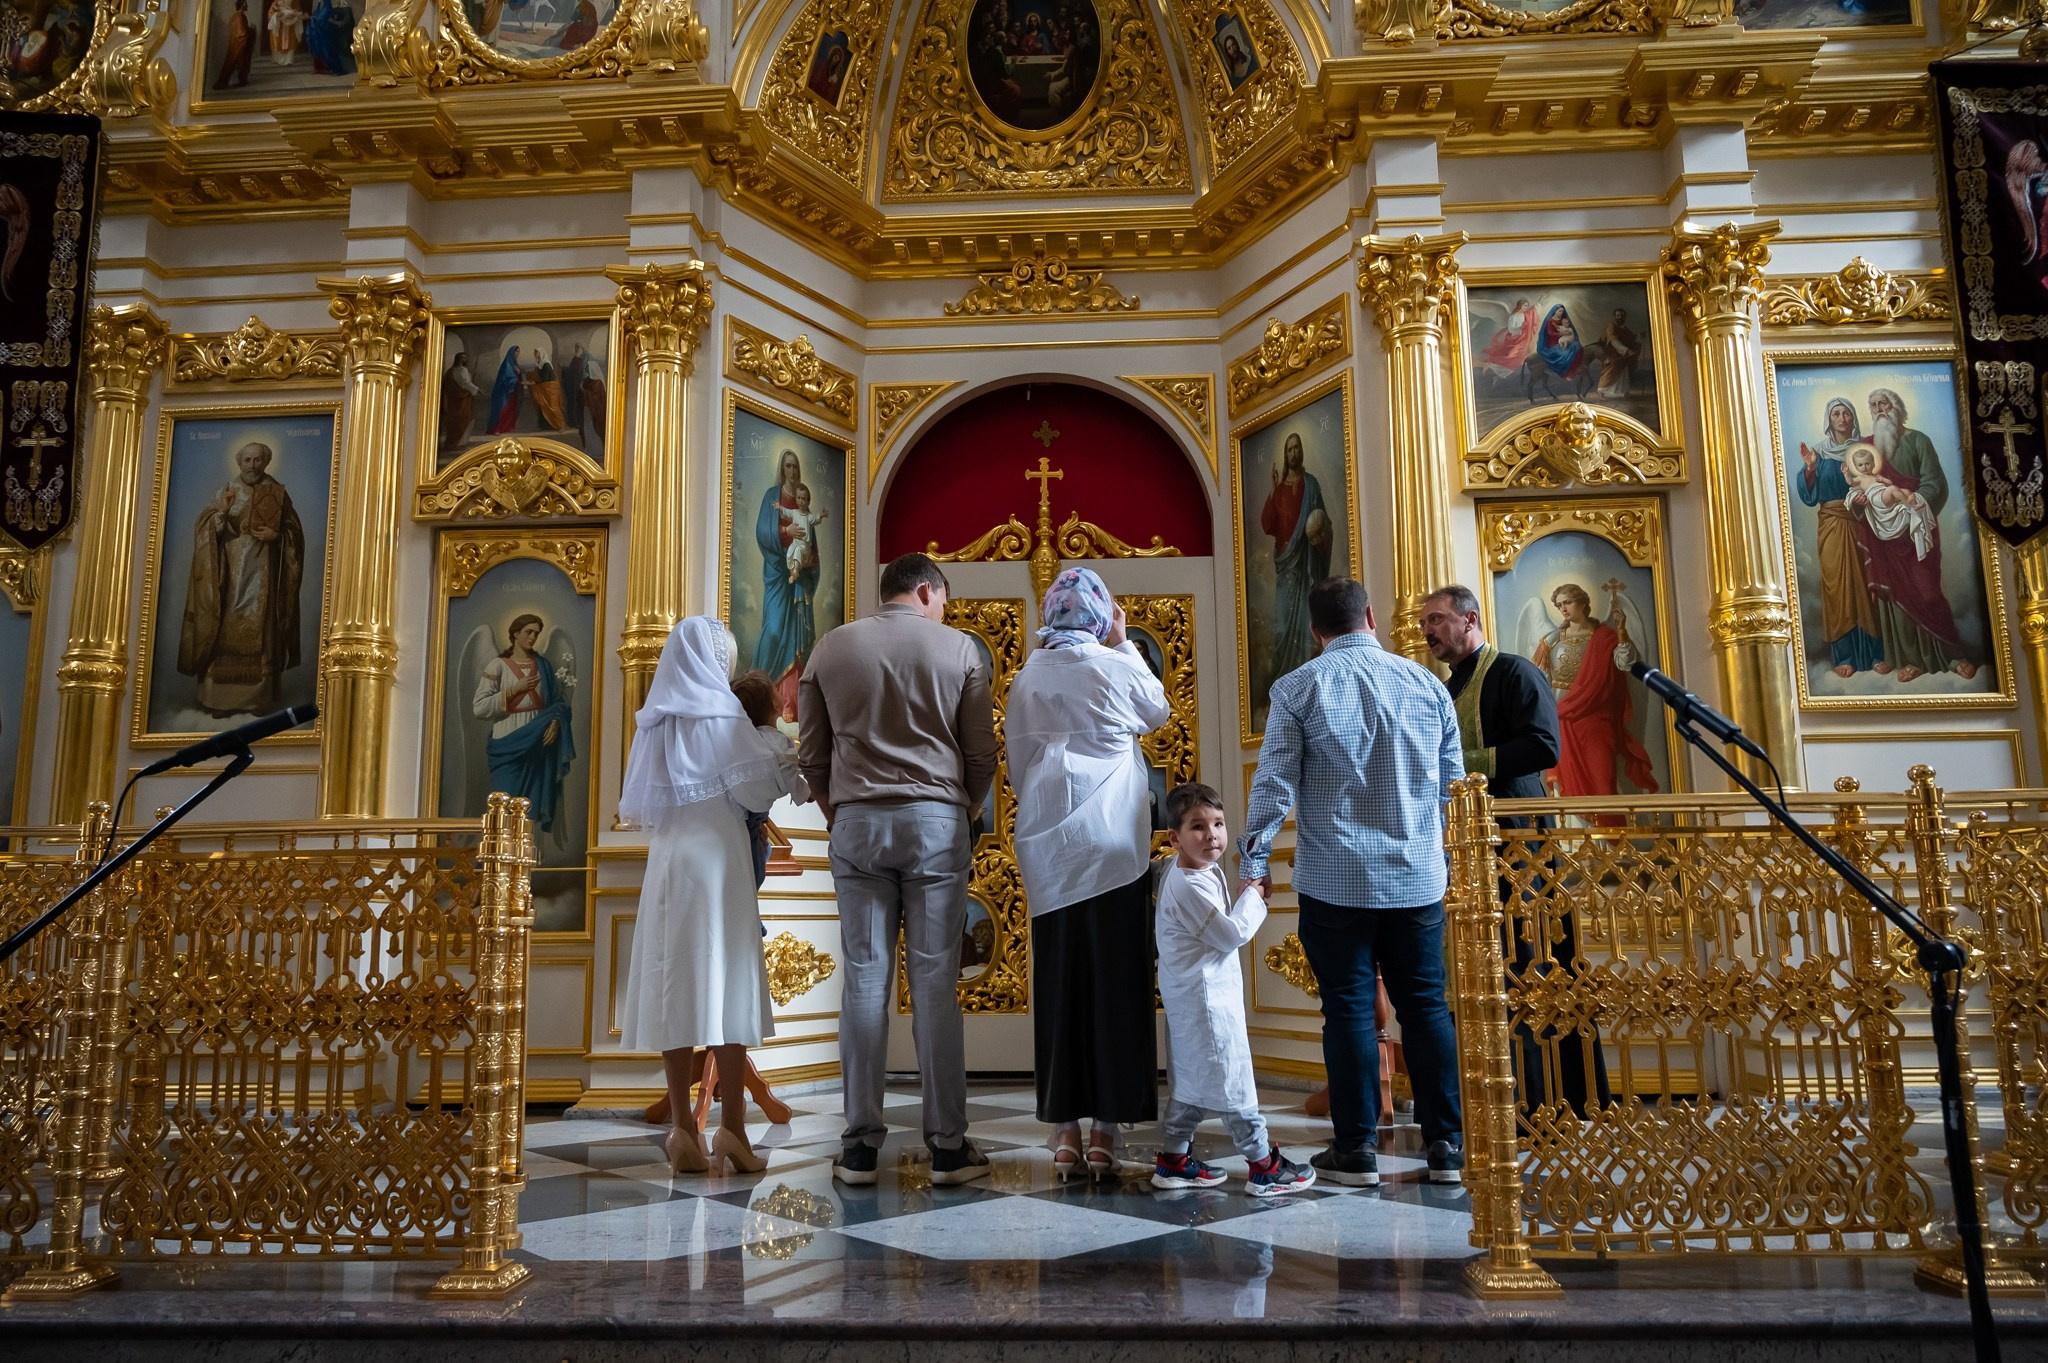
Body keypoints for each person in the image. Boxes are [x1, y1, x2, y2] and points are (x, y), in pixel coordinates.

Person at [1239, 577, 1465, 1188]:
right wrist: (1447, 858)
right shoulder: (1427, 684)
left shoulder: (1297, 688)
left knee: (1347, 1011)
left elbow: (1273, 784)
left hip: (1336, 880)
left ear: (1315, 630)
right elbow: (1454, 787)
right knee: (1426, 1006)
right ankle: (1447, 1146)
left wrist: (1254, 865)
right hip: (1417, 878)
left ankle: (1357, 1149)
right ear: (1370, 617)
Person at [799, 553, 998, 1187]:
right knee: (936, 982)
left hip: (858, 821)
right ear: (927, 591)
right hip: (936, 821)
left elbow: (812, 755)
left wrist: (839, 811)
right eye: (944, 602)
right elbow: (981, 753)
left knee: (864, 979)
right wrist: (964, 808)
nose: (943, 612)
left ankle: (859, 1147)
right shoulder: (959, 649)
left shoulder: (831, 648)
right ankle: (947, 1148)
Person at [620, 618, 804, 1177]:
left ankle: (682, 1128)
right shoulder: (724, 715)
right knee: (730, 983)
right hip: (718, 859)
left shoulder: (658, 719)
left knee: (674, 983)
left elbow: (645, 799)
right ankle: (734, 1130)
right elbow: (757, 789)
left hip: (669, 860)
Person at [1005, 567, 1171, 1178]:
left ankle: (1065, 1129)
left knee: (1061, 979)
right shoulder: (1114, 665)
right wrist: (1123, 644)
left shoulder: (1029, 675)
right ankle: (1106, 1127)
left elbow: (1018, 762)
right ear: (1101, 617)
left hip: (1051, 842)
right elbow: (1157, 711)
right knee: (1117, 979)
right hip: (1113, 841)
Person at [1421, 585, 1611, 1120]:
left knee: (1528, 963)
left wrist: (1457, 763)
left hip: (1520, 843)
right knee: (1483, 969)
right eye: (1424, 624)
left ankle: (1546, 1099)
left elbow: (1544, 745)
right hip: (1468, 847)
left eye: (1437, 619)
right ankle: (1494, 1097)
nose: (1429, 631)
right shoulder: (1446, 687)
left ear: (1470, 619)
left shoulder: (1513, 672)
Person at [1153, 782, 1316, 1197]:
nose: (1212, 835)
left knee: (1192, 1082)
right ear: (1175, 838)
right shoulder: (1187, 885)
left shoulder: (1189, 870)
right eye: (1198, 826)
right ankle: (1263, 1165)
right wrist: (1254, 897)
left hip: (1194, 997)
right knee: (1234, 1082)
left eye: (1219, 824)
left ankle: (1174, 1160)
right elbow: (1229, 934)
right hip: (1205, 1001)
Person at [1858, 388, 1979, 683]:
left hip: (1917, 527)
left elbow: (1935, 482)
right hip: (1883, 533)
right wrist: (1861, 501)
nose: (1879, 409)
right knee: (1894, 594)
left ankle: (1952, 655)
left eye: (1884, 403)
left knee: (1928, 592)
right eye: (1873, 405)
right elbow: (1859, 485)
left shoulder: (1918, 440)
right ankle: (1911, 659)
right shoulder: (1867, 446)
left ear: (1897, 407)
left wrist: (1914, 501)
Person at [177, 441, 305, 717]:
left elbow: (293, 530)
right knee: (222, 628)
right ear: (239, 462)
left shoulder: (277, 492)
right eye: (247, 460)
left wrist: (277, 536)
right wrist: (222, 512)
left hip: (263, 576)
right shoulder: (227, 491)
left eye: (258, 460)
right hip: (229, 576)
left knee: (262, 633)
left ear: (266, 462)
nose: (252, 465)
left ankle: (257, 699)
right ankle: (220, 701)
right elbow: (206, 530)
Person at [1532, 582, 1656, 806]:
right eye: (1559, 605)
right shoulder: (1551, 641)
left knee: (1603, 781)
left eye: (1568, 602)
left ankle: (1608, 829)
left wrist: (1622, 631)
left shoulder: (1605, 637)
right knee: (1568, 784)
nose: (1563, 609)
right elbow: (1541, 681)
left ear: (1582, 603)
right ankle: (1576, 831)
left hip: (1597, 720)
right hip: (1564, 719)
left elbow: (1625, 663)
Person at [1793, 397, 1883, 676]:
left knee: (1865, 585)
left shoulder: (1864, 450)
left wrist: (1868, 498)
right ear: (1828, 420)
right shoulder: (1818, 453)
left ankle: (1874, 655)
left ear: (1853, 418)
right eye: (1836, 414)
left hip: (1860, 522)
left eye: (1847, 413)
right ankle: (1844, 657)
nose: (1842, 419)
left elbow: (1879, 484)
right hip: (1832, 525)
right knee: (1838, 588)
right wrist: (1810, 468)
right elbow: (1809, 496)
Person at [471, 612, 576, 836]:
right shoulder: (498, 665)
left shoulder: (543, 666)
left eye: (536, 634)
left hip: (537, 741)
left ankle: (525, 852)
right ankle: (498, 851)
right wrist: (514, 690)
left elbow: (558, 703)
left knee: (530, 805)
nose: (533, 637)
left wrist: (555, 723)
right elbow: (479, 707)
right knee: (503, 802)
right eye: (528, 632)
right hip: (507, 741)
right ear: (516, 633)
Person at [1257, 431, 1331, 704]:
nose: (1293, 453)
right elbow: (1268, 525)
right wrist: (1272, 489)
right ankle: (1283, 687)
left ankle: (1308, 683)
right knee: (1283, 628)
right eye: (1289, 449)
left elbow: (1323, 524)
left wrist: (1319, 537)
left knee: (1304, 624)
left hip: (1306, 567)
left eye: (1296, 448)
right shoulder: (1279, 490)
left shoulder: (1311, 485)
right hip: (1287, 566)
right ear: (1285, 455)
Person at [755, 449, 819, 721]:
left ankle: (790, 702)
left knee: (796, 640)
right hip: (777, 573)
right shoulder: (772, 496)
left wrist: (809, 563)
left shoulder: (803, 505)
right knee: (772, 632)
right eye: (788, 466)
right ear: (782, 469)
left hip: (798, 578)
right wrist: (785, 531)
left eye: (795, 467)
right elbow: (762, 531)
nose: (792, 471)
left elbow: (812, 544)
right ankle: (762, 697)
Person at [731, 668, 807, 889]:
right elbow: (789, 773)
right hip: (755, 817)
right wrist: (806, 793)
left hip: (741, 816)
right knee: (753, 870)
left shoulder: (742, 739)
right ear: (775, 704)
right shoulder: (778, 741)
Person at [1846, 444, 1937, 559]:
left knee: (1908, 492)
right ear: (1855, 467)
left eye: (1867, 463)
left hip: (1885, 494)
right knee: (1893, 489)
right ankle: (1910, 506)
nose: (1864, 467)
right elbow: (1850, 482)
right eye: (1860, 465)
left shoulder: (1876, 476)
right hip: (1876, 498)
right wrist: (1846, 473)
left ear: (1873, 464)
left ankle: (1914, 504)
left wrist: (1883, 480)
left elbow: (1889, 483)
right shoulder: (1860, 478)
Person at [778, 483, 829, 586]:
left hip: (804, 546)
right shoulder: (794, 512)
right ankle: (793, 572)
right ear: (796, 499)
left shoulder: (808, 516)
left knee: (797, 551)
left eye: (804, 499)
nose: (801, 501)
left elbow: (816, 518)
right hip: (795, 542)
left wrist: (821, 515)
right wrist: (780, 507)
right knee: (789, 554)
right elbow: (787, 512)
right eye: (799, 498)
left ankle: (795, 571)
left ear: (808, 502)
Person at [441, 351, 481, 451]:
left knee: (458, 421)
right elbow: (466, 383)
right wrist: (477, 389)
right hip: (461, 400)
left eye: (465, 357)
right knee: (463, 419)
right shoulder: (462, 370)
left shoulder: (450, 371)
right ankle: (457, 443)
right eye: (463, 358)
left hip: (455, 400)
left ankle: (459, 443)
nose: (465, 359)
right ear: (458, 359)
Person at [1595, 308, 1639, 399]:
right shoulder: (1611, 327)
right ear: (1615, 316)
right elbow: (1613, 340)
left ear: (1625, 317)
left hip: (1622, 355)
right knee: (1609, 372)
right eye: (1618, 315)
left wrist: (1638, 339)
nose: (1620, 317)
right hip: (1612, 354)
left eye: (1622, 315)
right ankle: (1600, 392)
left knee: (1624, 372)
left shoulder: (1624, 328)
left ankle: (1625, 392)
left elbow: (1631, 338)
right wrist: (1626, 350)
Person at [214, 0, 255, 88]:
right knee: (235, 62)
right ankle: (230, 82)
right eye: (245, 4)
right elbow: (241, 33)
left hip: (238, 44)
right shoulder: (239, 17)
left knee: (237, 63)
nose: (247, 5)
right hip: (238, 45)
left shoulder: (237, 16)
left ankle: (239, 80)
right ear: (241, 5)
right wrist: (251, 31)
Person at [487, 345, 523, 434]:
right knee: (503, 409)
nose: (517, 353)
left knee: (511, 410)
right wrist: (516, 380)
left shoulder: (515, 364)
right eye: (516, 351)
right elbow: (505, 379)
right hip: (504, 392)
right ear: (511, 353)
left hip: (513, 391)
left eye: (518, 351)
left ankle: (506, 427)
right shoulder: (507, 364)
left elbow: (518, 377)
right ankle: (497, 429)